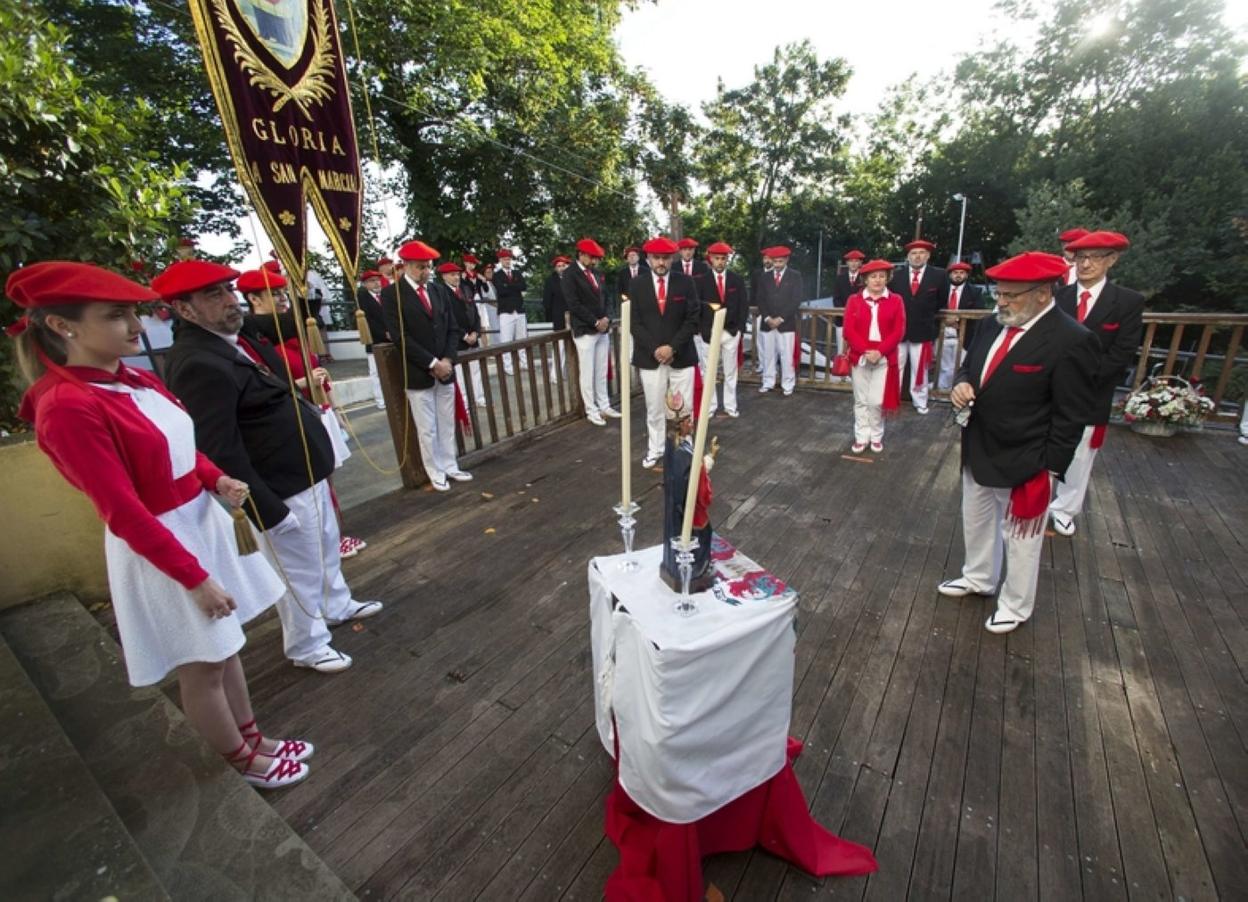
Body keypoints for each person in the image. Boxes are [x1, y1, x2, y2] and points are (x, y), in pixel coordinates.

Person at [8, 261, 307, 788]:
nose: (136, 327)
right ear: (62, 326)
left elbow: (182, 447)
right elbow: (122, 509)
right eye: (116, 315)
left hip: (196, 521)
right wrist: (192, 577)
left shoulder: (132, 379)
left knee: (226, 644)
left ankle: (251, 736)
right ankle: (237, 760)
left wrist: (216, 480)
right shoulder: (68, 406)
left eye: (134, 313)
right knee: (203, 663)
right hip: (162, 543)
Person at [156, 260, 381, 674]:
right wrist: (265, 507)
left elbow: (287, 319)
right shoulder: (196, 362)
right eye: (213, 295)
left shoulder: (238, 339)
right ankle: (308, 644)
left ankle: (337, 603)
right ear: (184, 310)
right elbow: (218, 445)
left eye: (228, 290)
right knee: (296, 569)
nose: (229, 300)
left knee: (325, 548)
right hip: (277, 485)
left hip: (305, 471)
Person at [939, 251, 1099, 634]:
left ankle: (1015, 604)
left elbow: (1072, 414)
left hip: (1028, 457)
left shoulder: (1072, 340)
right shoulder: (994, 324)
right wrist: (962, 382)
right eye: (999, 292)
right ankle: (978, 577)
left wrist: (1050, 468)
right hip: (979, 444)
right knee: (975, 519)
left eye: (1011, 294)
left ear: (1043, 294)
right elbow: (969, 365)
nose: (1001, 301)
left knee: (1022, 537)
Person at [1049, 230, 1144, 536]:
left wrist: (1081, 380)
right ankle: (1035, 503)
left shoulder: (1127, 301)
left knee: (1080, 454)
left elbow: (1123, 352)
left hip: (1092, 391)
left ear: (1111, 260)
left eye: (1094, 257)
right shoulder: (1057, 297)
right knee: (1041, 445)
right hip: (1048, 388)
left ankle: (1064, 509)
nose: (1085, 264)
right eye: (1079, 257)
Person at [380, 240, 471, 491]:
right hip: (419, 371)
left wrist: (448, 360)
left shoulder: (438, 291)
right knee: (427, 428)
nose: (426, 272)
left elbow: (453, 328)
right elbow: (400, 336)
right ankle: (435, 470)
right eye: (421, 267)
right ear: (407, 266)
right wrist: (432, 362)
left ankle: (450, 465)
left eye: (428, 267)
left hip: (445, 368)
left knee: (446, 421)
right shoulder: (392, 294)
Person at [630, 236, 701, 469]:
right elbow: (634, 322)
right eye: (656, 258)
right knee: (654, 406)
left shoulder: (685, 283)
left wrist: (672, 347)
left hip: (681, 355)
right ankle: (656, 448)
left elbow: (693, 318)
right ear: (648, 259)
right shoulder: (637, 285)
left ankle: (685, 448)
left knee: (684, 406)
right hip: (650, 357)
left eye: (665, 258)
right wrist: (656, 349)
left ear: (673, 259)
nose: (661, 262)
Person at [843, 259, 905, 453]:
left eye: (881, 276)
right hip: (860, 356)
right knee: (861, 399)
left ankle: (876, 435)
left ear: (887, 279)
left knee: (876, 400)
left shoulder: (896, 300)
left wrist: (880, 351)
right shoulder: (854, 300)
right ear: (865, 280)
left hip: (885, 357)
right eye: (873, 277)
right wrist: (865, 351)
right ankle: (861, 436)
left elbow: (899, 330)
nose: (878, 280)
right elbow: (848, 330)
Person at [660, 390, 715, 592]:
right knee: (702, 535)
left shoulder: (673, 446)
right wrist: (704, 464)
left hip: (676, 506)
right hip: (686, 510)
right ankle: (697, 568)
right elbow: (695, 484)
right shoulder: (682, 452)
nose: (691, 424)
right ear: (679, 424)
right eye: (688, 421)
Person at [563, 238, 618, 426]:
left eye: (596, 258)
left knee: (601, 369)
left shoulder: (597, 272)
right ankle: (591, 409)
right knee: (587, 372)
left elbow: (607, 297)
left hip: (602, 329)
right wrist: (595, 321)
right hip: (585, 329)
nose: (595, 261)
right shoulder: (569, 274)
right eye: (592, 257)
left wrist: (607, 319)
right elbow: (573, 304)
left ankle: (604, 404)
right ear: (582, 254)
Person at [890, 239, 947, 414]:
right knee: (895, 367)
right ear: (908, 256)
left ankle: (920, 401)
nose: (917, 256)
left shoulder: (939, 275)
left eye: (921, 253)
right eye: (913, 253)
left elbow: (942, 301)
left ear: (928, 256)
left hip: (923, 331)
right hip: (898, 331)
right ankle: (892, 399)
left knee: (920, 369)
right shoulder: (896, 275)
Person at [693, 241, 746, 418]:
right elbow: (696, 307)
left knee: (731, 371)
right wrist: (700, 330)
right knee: (708, 372)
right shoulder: (700, 281)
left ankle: (730, 406)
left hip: (731, 332)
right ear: (710, 260)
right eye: (717, 258)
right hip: (708, 333)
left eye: (723, 258)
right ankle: (710, 407)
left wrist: (738, 329)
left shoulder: (736, 280)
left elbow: (743, 306)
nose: (720, 262)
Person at [756, 245, 803, 396]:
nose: (777, 265)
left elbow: (796, 299)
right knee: (768, 355)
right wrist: (768, 317)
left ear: (787, 260)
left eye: (780, 262)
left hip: (786, 323)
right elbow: (760, 298)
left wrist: (781, 318)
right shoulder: (764, 277)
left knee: (786, 355)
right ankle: (768, 382)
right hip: (767, 323)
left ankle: (788, 384)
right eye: (775, 261)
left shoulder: (795, 276)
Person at [438, 261, 486, 405]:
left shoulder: (465, 288)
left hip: (473, 337)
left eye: (458, 274)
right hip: (457, 341)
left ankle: (479, 397)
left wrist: (476, 333)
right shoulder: (441, 292)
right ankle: (464, 401)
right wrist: (464, 336)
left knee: (475, 370)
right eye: (452, 275)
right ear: (444, 276)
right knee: (459, 373)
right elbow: (447, 318)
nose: (456, 277)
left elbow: (475, 313)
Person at [936, 262, 986, 391]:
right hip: (943, 332)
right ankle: (943, 389)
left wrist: (958, 321)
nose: (958, 275)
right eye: (955, 273)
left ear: (966, 275)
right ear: (950, 275)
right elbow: (934, 307)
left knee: (961, 364)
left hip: (964, 334)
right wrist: (946, 320)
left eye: (961, 273)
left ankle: (957, 389)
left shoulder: (975, 292)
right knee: (944, 364)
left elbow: (979, 312)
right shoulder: (941, 289)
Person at [355, 269, 390, 410]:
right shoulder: (363, 299)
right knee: (376, 372)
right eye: (372, 281)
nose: (376, 283)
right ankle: (380, 399)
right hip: (374, 340)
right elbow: (368, 321)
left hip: (391, 339)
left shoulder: (386, 296)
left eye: (377, 280)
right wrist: (384, 333)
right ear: (365, 284)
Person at [493, 248, 528, 373]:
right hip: (505, 311)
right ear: (500, 260)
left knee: (522, 338)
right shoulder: (497, 275)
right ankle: (508, 366)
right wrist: (514, 287)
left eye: (509, 259)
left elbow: (523, 286)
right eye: (505, 259)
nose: (507, 261)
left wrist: (508, 286)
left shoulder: (517, 273)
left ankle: (524, 363)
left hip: (519, 310)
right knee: (506, 340)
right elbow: (501, 291)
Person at [542, 254, 571, 383]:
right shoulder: (551, 281)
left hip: (574, 317)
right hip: (559, 318)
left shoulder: (572, 278)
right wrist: (552, 317)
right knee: (559, 347)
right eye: (558, 266)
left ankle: (566, 373)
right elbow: (547, 301)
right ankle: (555, 375)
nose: (561, 268)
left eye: (563, 265)